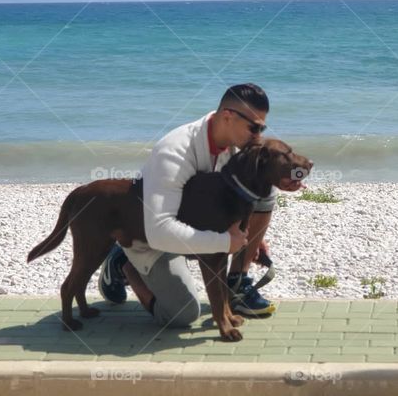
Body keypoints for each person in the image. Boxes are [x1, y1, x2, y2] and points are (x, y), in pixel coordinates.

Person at [98, 83, 303, 327]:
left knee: (263, 189)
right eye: (254, 128)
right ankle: (123, 264)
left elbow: (241, 196)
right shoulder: (174, 151)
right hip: (150, 235)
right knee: (182, 314)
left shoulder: (239, 147)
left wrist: (251, 237)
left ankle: (238, 281)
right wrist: (227, 242)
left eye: (262, 128)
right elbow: (160, 231)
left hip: (194, 223)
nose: (258, 136)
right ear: (228, 116)